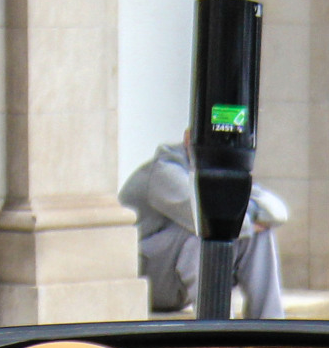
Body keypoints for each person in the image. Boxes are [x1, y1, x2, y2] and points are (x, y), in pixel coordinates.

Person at [119, 134, 287, 319]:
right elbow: (205, 216)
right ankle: (219, 327)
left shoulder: (221, 168)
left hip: (181, 283)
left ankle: (269, 330)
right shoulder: (163, 172)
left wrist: (251, 213)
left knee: (260, 235)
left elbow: (278, 211)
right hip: (151, 283)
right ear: (188, 140)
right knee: (206, 228)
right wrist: (248, 220)